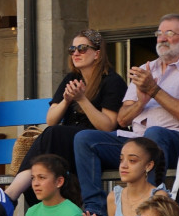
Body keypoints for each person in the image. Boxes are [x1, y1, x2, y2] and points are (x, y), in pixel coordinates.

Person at [74, 14, 179, 216]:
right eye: (159, 33)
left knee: (156, 133)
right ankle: (96, 213)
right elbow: (122, 119)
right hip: (136, 140)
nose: (162, 38)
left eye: (169, 33)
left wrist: (155, 90)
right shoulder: (145, 69)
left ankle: (146, 211)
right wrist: (142, 101)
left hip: (175, 141)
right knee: (84, 138)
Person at [9, 30, 127, 205]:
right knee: (51, 134)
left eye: (82, 48)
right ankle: (16, 194)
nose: (76, 53)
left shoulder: (111, 80)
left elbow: (108, 126)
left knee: (53, 134)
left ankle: (12, 193)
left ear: (97, 53)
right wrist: (66, 100)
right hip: (67, 144)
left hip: (95, 143)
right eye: (72, 49)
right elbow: (51, 119)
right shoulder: (71, 78)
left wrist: (82, 100)